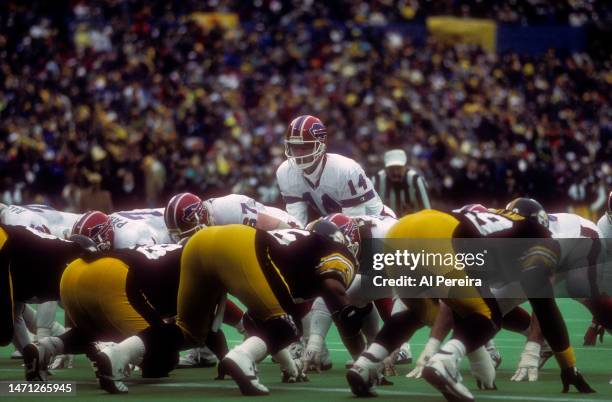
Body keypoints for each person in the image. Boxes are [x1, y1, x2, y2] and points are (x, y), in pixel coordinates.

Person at [347, 198, 595, 401]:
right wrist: (568, 365)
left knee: (420, 313)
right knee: (489, 314)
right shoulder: (541, 238)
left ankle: (365, 364)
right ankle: (446, 362)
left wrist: (476, 355)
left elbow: (454, 304)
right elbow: (544, 306)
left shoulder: (497, 226)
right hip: (439, 234)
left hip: (402, 231)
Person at [94, 221, 366, 395]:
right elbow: (333, 290)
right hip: (242, 244)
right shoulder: (335, 250)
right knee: (284, 323)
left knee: (188, 332)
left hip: (200, 243)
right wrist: (358, 342)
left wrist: (287, 364)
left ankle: (120, 353)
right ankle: (244, 358)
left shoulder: (298, 248)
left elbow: (255, 319)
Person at [276, 115, 385, 226]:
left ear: (321, 146)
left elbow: (353, 226)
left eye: (305, 147)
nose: (299, 153)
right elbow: (297, 224)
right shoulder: (285, 172)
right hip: (336, 226)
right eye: (295, 147)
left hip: (376, 225)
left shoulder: (345, 170)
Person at [372, 149, 431, 216]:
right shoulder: (377, 180)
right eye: (391, 169)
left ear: (405, 167)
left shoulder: (416, 180)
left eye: (398, 168)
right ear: (385, 168)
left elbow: (427, 211)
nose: (395, 172)